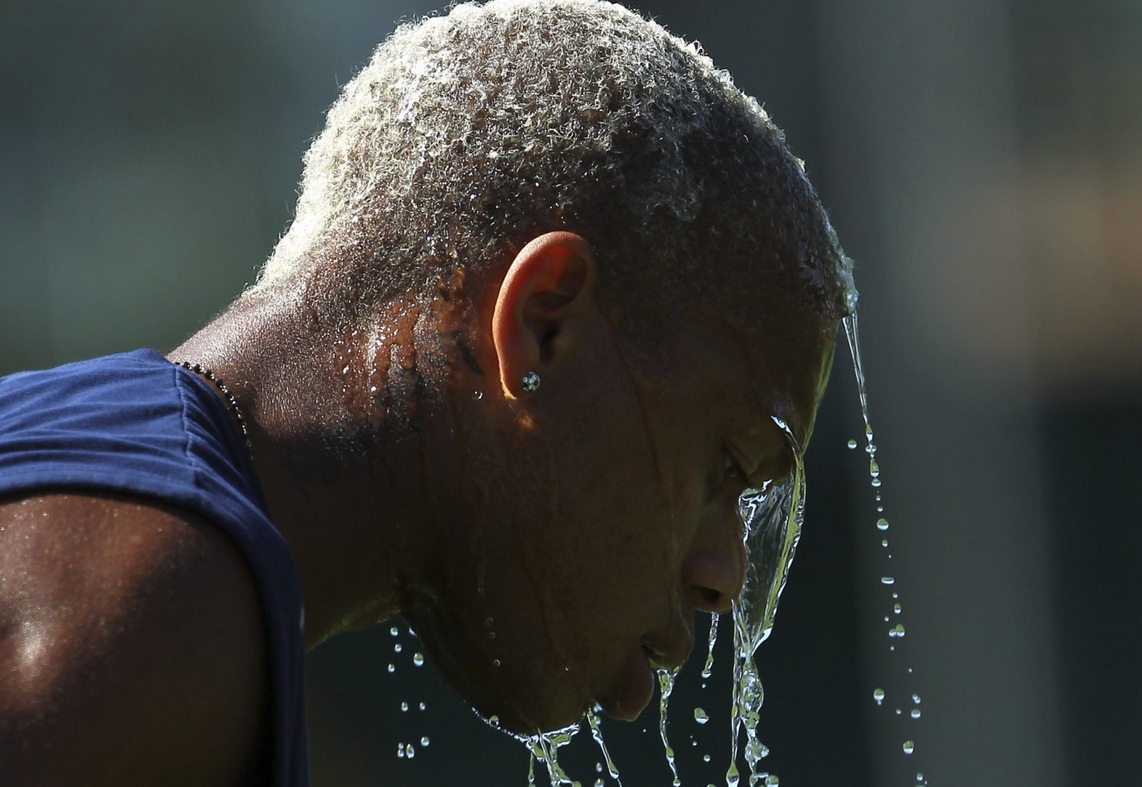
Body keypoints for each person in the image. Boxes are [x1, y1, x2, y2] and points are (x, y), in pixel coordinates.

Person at [0, 0, 854, 784]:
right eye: (727, 465)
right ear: (542, 324)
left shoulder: (89, 497)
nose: (724, 575)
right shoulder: (146, 626)